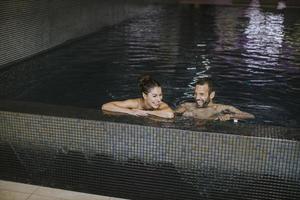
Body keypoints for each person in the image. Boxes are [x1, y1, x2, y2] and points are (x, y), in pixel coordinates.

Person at [175, 77, 255, 121]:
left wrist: (230, 116)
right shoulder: (186, 106)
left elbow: (250, 116)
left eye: (201, 94)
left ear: (212, 95)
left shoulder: (221, 109)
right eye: (195, 94)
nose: (197, 98)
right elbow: (171, 114)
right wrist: (180, 115)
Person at [102, 75, 174, 119]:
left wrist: (145, 112)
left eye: (160, 95)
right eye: (154, 96)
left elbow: (170, 114)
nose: (159, 99)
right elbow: (105, 106)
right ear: (144, 95)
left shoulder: (161, 105)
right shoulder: (136, 103)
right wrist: (130, 111)